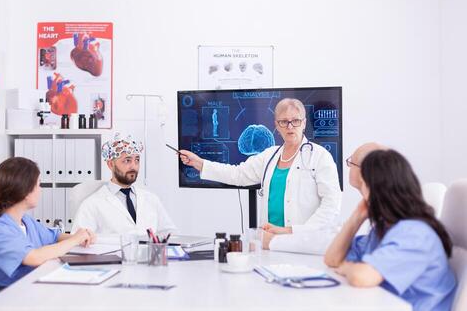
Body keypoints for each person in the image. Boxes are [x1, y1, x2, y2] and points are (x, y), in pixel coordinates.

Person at [179, 98, 341, 253]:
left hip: (303, 243)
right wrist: (200, 163)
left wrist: (292, 231)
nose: (290, 126)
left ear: (304, 123)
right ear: (276, 125)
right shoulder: (269, 155)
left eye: (295, 121)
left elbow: (332, 204)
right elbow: (238, 174)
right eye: (284, 122)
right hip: (269, 242)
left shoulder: (319, 156)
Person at [324, 144, 456, 311]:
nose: (363, 194)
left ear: (377, 190)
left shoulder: (415, 234)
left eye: (363, 186)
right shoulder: (383, 228)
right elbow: (332, 259)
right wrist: (356, 218)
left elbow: (362, 277)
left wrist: (347, 268)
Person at [0, 157, 96, 287]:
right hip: (15, 295)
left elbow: (54, 236)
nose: (41, 189)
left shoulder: (25, 221)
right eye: (39, 184)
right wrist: (74, 240)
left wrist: (81, 236)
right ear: (25, 191)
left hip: (38, 285)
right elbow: (33, 257)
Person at [72, 132, 176, 235]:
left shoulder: (151, 199)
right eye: (127, 160)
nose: (134, 166)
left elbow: (170, 234)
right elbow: (77, 242)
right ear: (111, 164)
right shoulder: (92, 204)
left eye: (137, 160)